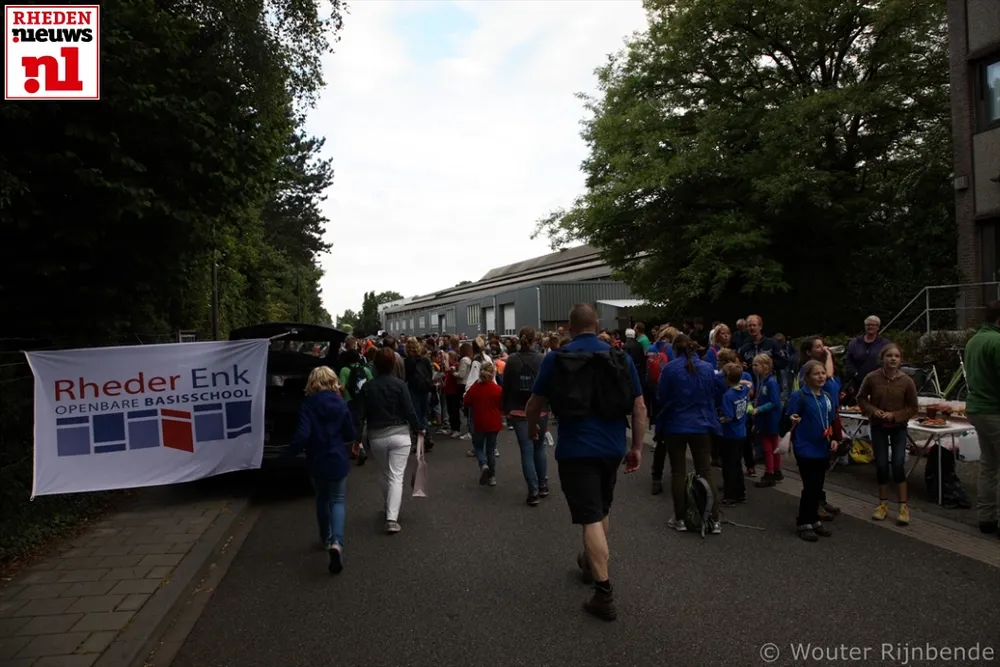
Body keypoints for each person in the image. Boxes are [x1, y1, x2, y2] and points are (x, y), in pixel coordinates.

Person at [526, 304, 645, 621]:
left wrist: (532, 428)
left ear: (569, 327)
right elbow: (639, 406)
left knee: (590, 516)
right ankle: (592, 563)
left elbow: (535, 403)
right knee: (601, 509)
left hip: (576, 448)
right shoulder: (619, 357)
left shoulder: (555, 359)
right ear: (597, 324)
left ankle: (603, 593)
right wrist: (636, 447)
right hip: (612, 446)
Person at [280, 366, 356, 573]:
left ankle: (325, 538)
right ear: (333, 381)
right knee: (338, 500)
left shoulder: (308, 405)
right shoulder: (340, 404)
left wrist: (286, 455)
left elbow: (302, 435)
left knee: (322, 499)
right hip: (337, 458)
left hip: (317, 459)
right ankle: (337, 543)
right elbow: (350, 433)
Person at [656, 334, 721, 533]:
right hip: (702, 423)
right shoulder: (707, 368)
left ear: (675, 349)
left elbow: (661, 396)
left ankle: (680, 518)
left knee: (678, 472)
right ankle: (714, 519)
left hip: (676, 424)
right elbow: (714, 392)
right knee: (705, 470)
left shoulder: (670, 369)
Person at [362, 348, 423, 534]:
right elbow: (409, 410)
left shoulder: (367, 387)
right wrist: (418, 427)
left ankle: (389, 505)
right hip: (400, 434)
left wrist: (357, 439)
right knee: (397, 476)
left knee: (384, 473)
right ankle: (391, 518)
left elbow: (360, 414)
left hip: (377, 435)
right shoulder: (400, 385)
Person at [856, 344, 918, 525]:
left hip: (898, 427)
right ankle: (882, 504)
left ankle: (903, 507)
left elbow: (913, 407)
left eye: (896, 356)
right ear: (882, 358)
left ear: (900, 360)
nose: (893, 359)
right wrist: (872, 410)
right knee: (882, 465)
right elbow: (861, 398)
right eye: (889, 355)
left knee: (898, 465)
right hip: (878, 426)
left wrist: (895, 415)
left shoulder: (907, 381)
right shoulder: (872, 378)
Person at [785, 360, 839, 542]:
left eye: (823, 373)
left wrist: (834, 438)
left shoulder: (826, 397)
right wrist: (792, 418)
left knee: (817, 486)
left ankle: (814, 520)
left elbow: (830, 421)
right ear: (807, 377)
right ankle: (803, 522)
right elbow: (788, 415)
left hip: (822, 447)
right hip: (805, 447)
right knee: (810, 486)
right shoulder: (800, 395)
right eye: (816, 374)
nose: (821, 376)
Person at [502, 326, 550, 505]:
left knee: (526, 450)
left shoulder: (512, 360)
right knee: (540, 447)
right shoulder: (541, 359)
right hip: (540, 408)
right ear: (535, 340)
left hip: (518, 409)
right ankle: (543, 484)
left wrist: (505, 409)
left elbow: (506, 386)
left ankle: (533, 491)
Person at [964, 301, 1000, 537]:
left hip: (977, 409)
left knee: (989, 465)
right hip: (995, 410)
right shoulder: (997, 341)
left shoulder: (974, 340)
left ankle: (986, 518)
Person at [464, 361, 504, 487]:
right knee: (491, 450)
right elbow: (502, 405)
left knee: (478, 447)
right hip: (493, 422)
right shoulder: (498, 389)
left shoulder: (475, 388)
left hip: (479, 421)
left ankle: (483, 464)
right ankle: (492, 477)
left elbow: (466, 401)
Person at [718, 362, 751, 506]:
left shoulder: (728, 396)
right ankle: (740, 493)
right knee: (737, 463)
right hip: (741, 431)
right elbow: (748, 384)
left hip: (730, 433)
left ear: (726, 378)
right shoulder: (743, 390)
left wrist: (718, 420)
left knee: (728, 465)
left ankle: (730, 495)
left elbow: (728, 417)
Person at [750, 354, 783, 488]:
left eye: (756, 365)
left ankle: (770, 472)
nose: (753, 367)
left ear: (766, 367)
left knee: (768, 447)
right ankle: (776, 470)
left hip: (770, 419)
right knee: (773, 446)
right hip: (765, 418)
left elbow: (774, 402)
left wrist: (759, 409)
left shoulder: (770, 383)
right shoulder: (761, 381)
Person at [338, 348, 373, 466]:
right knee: (361, 424)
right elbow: (371, 385)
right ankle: (359, 448)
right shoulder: (365, 369)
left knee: (354, 426)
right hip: (364, 401)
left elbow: (342, 387)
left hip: (350, 401)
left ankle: (359, 449)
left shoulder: (344, 370)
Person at [404, 338, 436, 451]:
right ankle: (427, 436)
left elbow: (406, 377)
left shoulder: (407, 361)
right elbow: (430, 374)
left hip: (414, 389)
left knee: (416, 416)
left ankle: (423, 439)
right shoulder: (425, 360)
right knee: (423, 415)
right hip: (425, 389)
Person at [845, 316, 891, 392]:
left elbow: (888, 361)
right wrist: (855, 373)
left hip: (878, 381)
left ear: (878, 327)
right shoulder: (855, 342)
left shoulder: (885, 343)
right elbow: (848, 359)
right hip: (857, 381)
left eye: (873, 325)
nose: (870, 327)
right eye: (868, 325)